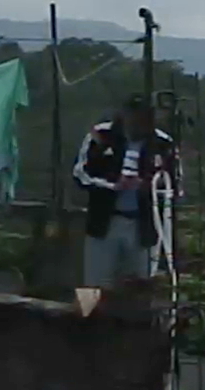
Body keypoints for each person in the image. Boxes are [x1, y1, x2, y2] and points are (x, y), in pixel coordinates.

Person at [73, 95, 181, 288]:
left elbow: (175, 186)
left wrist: (149, 187)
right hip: (105, 224)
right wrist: (112, 185)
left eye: (143, 116)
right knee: (96, 285)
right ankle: (93, 317)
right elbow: (80, 174)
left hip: (143, 226)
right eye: (132, 114)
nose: (136, 121)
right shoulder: (101, 136)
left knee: (140, 285)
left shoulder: (163, 143)